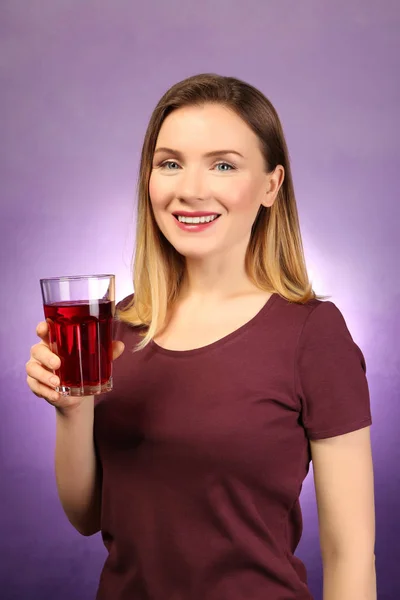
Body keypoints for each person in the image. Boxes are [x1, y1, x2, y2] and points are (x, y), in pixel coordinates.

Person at [26, 73, 376, 599]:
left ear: (270, 186)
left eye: (223, 164)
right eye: (170, 163)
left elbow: (350, 555)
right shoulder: (114, 328)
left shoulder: (312, 334)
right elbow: (88, 516)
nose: (190, 189)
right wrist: (71, 408)